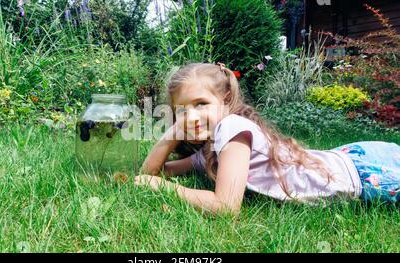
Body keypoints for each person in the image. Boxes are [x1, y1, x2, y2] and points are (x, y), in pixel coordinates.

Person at [134, 62, 400, 215]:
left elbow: (226, 207)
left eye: (201, 103)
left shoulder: (231, 128)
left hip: (367, 175)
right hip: (346, 157)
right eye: (182, 110)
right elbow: (152, 174)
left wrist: (168, 189)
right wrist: (171, 135)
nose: (191, 116)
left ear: (226, 100)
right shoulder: (211, 148)